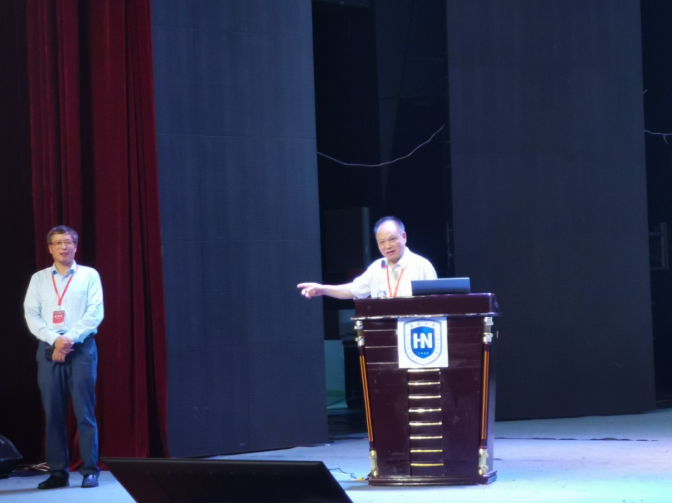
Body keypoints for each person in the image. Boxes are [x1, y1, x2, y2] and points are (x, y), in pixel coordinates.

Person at [24, 225, 104, 490]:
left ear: (75, 246)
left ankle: (90, 470)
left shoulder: (89, 275)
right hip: (49, 349)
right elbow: (31, 314)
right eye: (57, 243)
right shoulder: (39, 279)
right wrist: (54, 339)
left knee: (85, 413)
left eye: (68, 242)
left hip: (81, 349)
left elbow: (95, 313)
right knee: (54, 414)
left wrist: (68, 339)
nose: (63, 247)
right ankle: (58, 472)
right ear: (50, 248)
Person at [298, 216, 437, 299]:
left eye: (392, 239)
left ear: (404, 237)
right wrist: (322, 289)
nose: (387, 246)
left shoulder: (422, 266)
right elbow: (352, 290)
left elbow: (437, 303)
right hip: (384, 332)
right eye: (381, 242)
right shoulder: (376, 268)